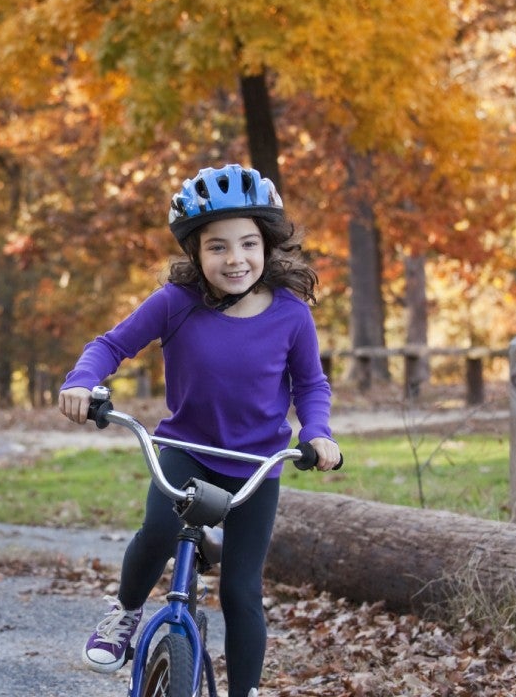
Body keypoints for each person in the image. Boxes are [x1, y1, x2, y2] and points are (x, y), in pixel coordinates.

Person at [57, 164, 341, 697]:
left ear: (269, 245)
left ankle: (246, 692)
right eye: (217, 247)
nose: (235, 259)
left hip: (257, 468)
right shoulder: (175, 304)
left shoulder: (291, 315)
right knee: (159, 535)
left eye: (248, 244)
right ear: (195, 252)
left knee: (240, 590)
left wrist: (318, 432)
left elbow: (311, 385)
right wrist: (82, 381)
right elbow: (110, 345)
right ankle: (125, 612)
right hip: (186, 451)